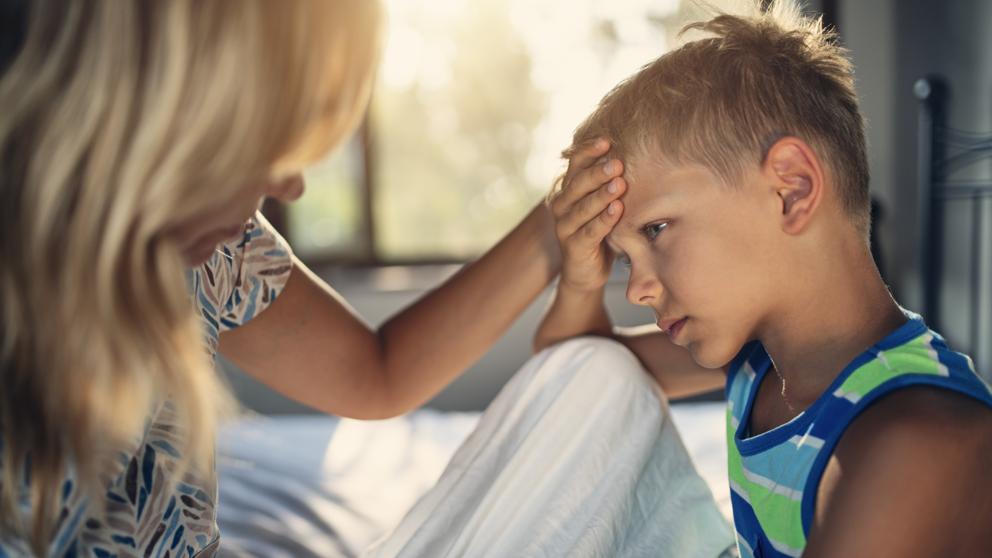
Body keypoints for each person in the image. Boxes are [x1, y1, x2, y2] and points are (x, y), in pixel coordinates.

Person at [0, 0, 614, 555]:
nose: (291, 185)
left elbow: (376, 374)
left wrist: (562, 216)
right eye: (267, 140)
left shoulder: (216, 251)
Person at [536, 1, 992, 556]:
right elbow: (574, 374)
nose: (636, 290)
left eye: (655, 230)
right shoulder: (757, 363)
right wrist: (580, 279)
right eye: (625, 259)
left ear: (791, 190)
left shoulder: (916, 440)